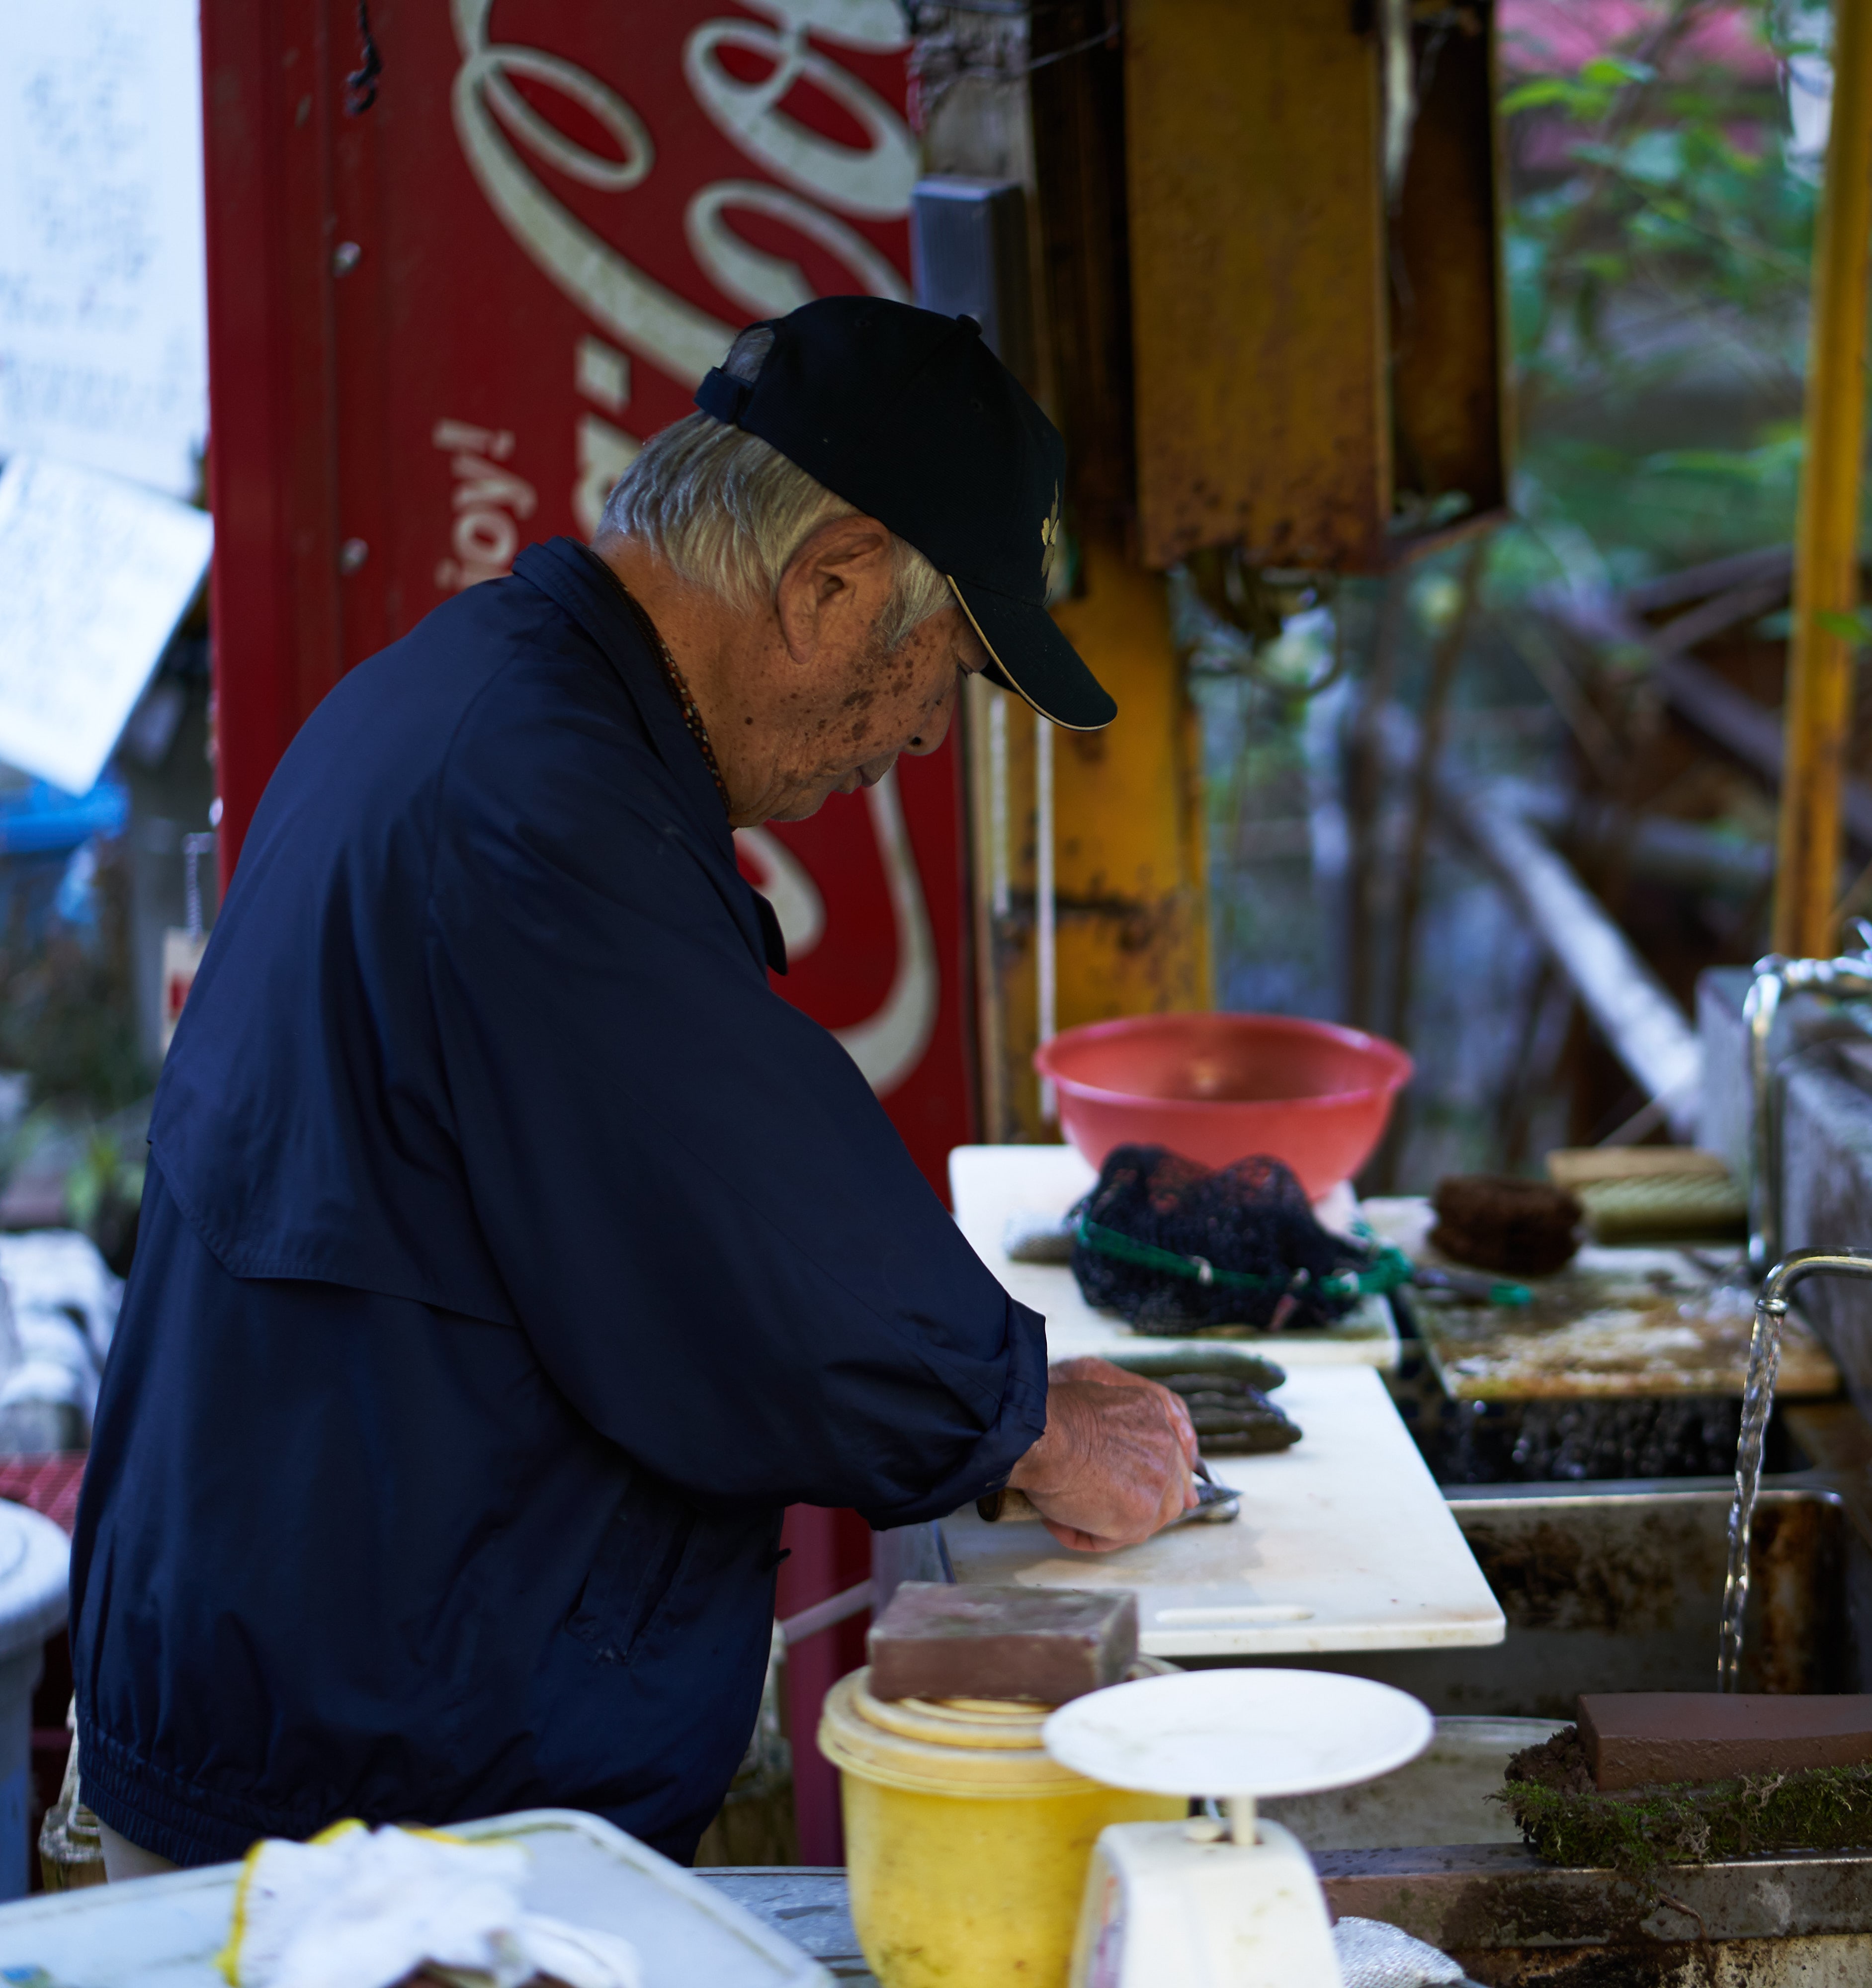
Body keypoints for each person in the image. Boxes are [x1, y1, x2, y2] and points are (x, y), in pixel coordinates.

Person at [69, 297, 1193, 1875]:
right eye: (946, 669)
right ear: (829, 583)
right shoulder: (536, 800)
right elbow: (753, 1237)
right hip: (368, 1812)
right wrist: (1020, 1421)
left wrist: (1006, 1401)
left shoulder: (498, 698)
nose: (927, 736)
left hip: (349, 1719)